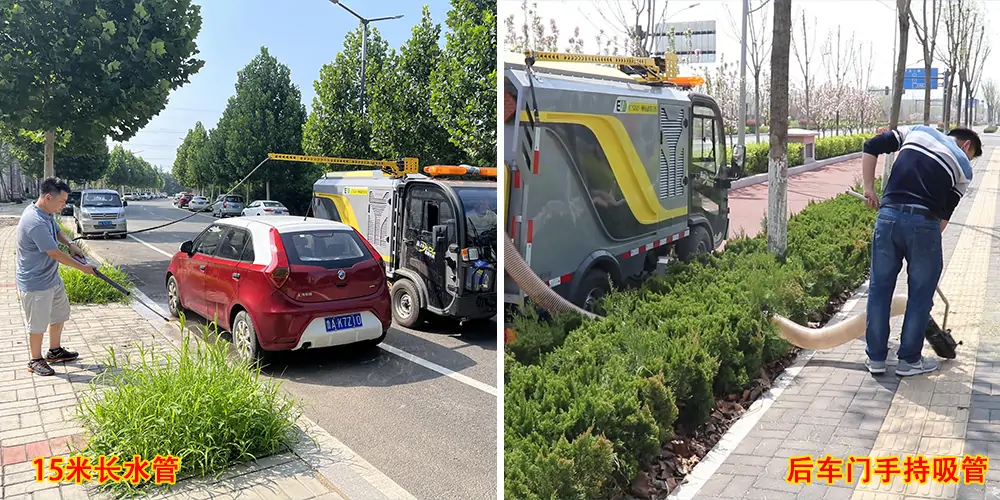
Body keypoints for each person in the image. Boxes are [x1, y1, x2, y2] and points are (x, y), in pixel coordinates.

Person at [860, 125, 982, 377]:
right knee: (920, 296)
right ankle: (909, 361)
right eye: (971, 156)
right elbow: (944, 217)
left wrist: (869, 188)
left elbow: (871, 146)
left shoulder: (916, 131)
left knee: (880, 289)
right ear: (967, 146)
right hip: (924, 223)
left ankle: (876, 360)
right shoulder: (964, 167)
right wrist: (926, 248)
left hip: (888, 216)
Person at [16, 178, 97, 376]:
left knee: (59, 314)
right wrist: (82, 267)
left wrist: (70, 244)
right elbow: (54, 252)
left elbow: (58, 231)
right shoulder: (34, 221)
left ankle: (54, 351)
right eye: (62, 202)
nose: (64, 205)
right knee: (37, 323)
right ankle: (35, 360)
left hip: (51, 278)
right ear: (48, 197)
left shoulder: (45, 213)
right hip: (36, 282)